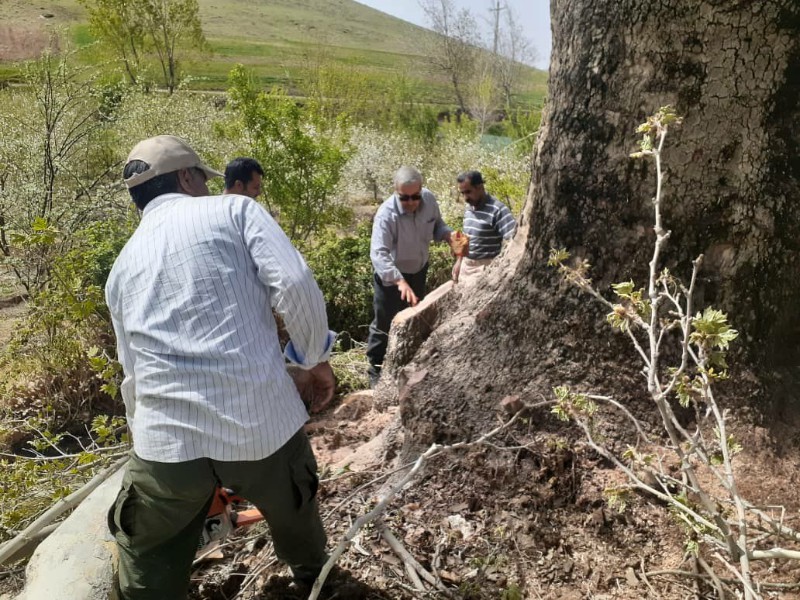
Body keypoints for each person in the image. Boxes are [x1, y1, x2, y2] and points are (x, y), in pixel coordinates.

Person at [105, 135, 336, 599]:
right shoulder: (235, 211)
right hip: (259, 425)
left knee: (148, 551)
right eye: (203, 179)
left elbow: (131, 374)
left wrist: (146, 437)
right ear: (186, 177)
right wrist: (313, 360)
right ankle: (317, 582)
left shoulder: (121, 266)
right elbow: (293, 282)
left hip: (166, 444)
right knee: (295, 507)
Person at [367, 166, 452, 387]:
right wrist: (399, 281)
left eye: (415, 196)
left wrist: (448, 235)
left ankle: (409, 365)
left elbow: (438, 225)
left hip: (418, 270)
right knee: (384, 323)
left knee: (415, 319)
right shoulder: (386, 214)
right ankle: (375, 371)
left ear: (421, 190)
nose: (411, 202)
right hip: (391, 277)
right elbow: (379, 253)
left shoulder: (429, 200)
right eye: (404, 198)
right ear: (396, 192)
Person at [454, 170, 517, 283]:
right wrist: (459, 261)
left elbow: (514, 240)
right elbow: (464, 237)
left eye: (468, 192)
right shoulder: (468, 208)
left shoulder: (498, 210)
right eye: (462, 193)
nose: (465, 197)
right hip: (465, 267)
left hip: (484, 270)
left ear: (480, 187)